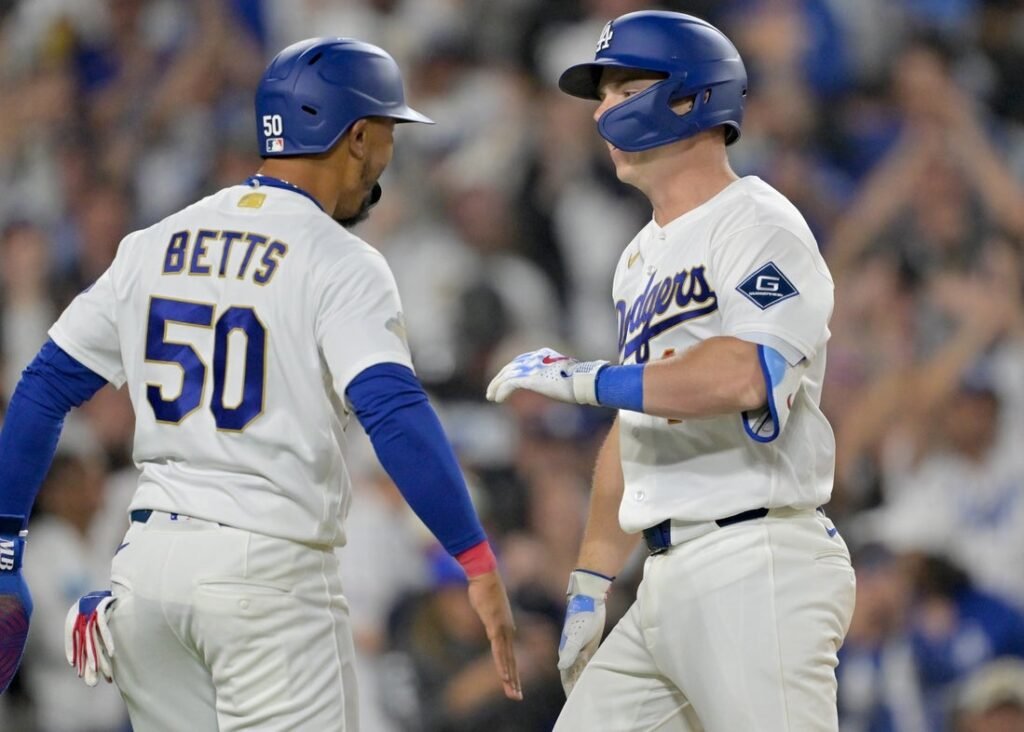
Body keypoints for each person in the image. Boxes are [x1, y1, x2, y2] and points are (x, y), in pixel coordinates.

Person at [0, 37, 520, 730]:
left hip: (148, 575)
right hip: (265, 574)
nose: (390, 153)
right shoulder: (341, 260)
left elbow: (40, 388)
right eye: (389, 131)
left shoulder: (155, 242)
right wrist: (476, 557)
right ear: (357, 135)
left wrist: (5, 549)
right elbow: (392, 411)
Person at [486, 11, 856, 731]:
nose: (601, 111)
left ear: (689, 98)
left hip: (756, 560)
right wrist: (592, 581)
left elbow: (745, 373)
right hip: (663, 576)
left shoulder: (758, 223)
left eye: (622, 90)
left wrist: (587, 379)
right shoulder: (637, 261)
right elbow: (640, 422)